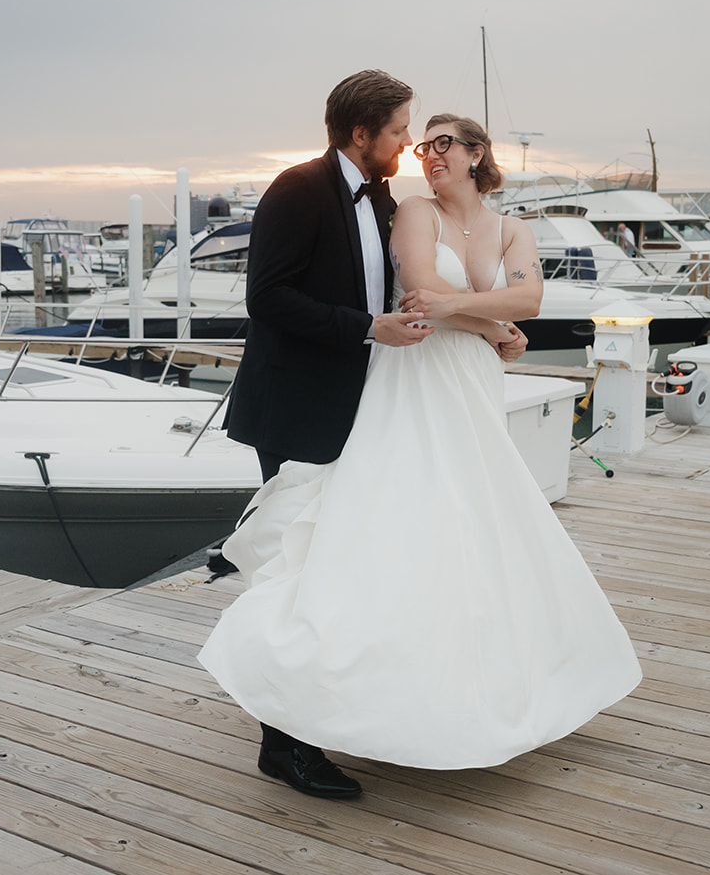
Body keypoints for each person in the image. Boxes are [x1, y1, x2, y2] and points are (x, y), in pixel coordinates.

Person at [200, 112, 642, 796]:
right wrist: (495, 321)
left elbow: (530, 296)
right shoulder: (413, 211)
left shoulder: (513, 227)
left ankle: (466, 692)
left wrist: (491, 318)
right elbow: (422, 295)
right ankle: (296, 718)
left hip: (472, 386)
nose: (425, 152)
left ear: (476, 155)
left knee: (478, 534)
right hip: (414, 385)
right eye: (418, 139)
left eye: (441, 142)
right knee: (389, 532)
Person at [220, 72, 528, 800]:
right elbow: (266, 298)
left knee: (333, 563)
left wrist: (488, 329)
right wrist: (367, 327)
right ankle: (284, 745)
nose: (408, 144)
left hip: (358, 408)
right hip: (295, 407)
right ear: (363, 133)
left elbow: (413, 295)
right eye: (398, 131)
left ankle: (322, 708)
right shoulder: (297, 189)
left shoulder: (385, 198)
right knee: (292, 567)